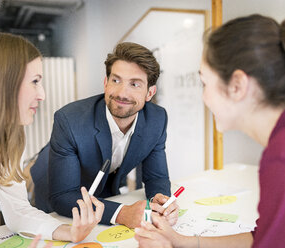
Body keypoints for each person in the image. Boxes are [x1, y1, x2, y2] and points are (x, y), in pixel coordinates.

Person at [134, 14, 285, 248]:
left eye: (205, 83)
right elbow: (265, 235)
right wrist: (181, 241)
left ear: (237, 85)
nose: (203, 98)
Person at [0, 31, 104, 243]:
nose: (42, 95)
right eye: (34, 81)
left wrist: (68, 232)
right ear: (0, 82)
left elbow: (18, 211)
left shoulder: (5, 142)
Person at [32, 42, 179, 228]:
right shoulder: (69, 120)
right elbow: (63, 196)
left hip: (100, 186)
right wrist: (122, 213)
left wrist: (160, 201)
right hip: (54, 185)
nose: (121, 93)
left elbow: (156, 177)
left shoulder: (157, 119)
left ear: (150, 93)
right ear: (105, 82)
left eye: (134, 84)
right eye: (116, 80)